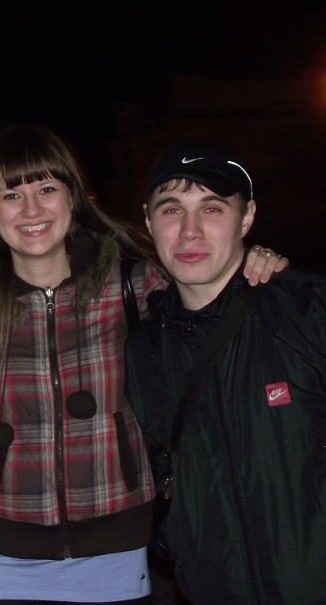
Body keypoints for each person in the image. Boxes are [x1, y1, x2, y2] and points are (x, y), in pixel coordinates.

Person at [0, 125, 286, 605]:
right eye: (12, 195)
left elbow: (212, 304)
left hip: (114, 549)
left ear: (73, 197)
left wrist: (253, 261)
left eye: (47, 189)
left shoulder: (135, 286)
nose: (32, 210)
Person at [126, 141, 326, 604]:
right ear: (149, 220)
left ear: (247, 217)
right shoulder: (144, 349)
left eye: (212, 208)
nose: (189, 231)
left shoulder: (308, 311)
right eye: (172, 209)